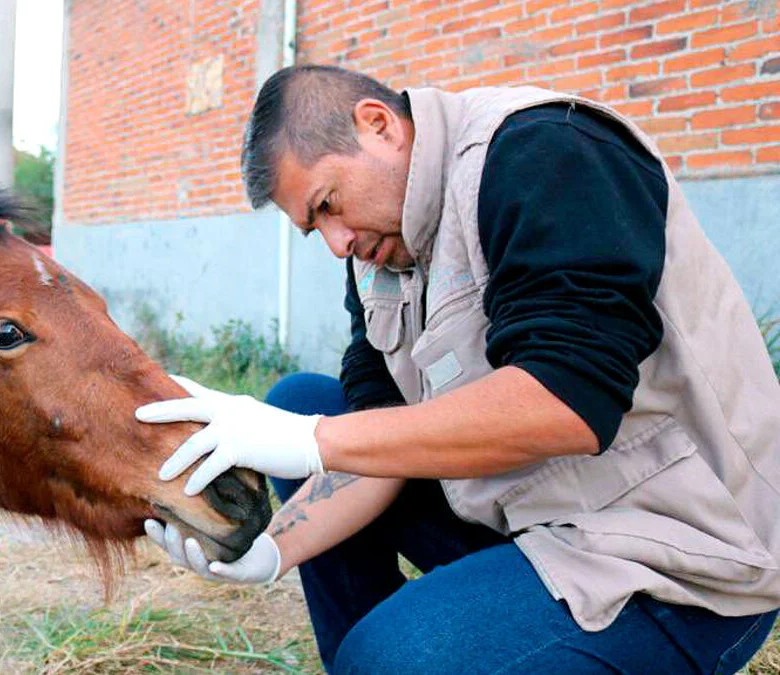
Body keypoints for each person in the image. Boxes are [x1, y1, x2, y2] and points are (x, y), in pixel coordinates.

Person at [136, 65, 780, 674]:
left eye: (328, 203)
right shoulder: (378, 253)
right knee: (307, 398)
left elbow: (569, 400)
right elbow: (378, 433)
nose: (337, 243)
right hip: (530, 518)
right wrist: (274, 550)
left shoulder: (545, 153)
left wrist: (308, 440)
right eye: (315, 228)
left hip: (677, 558)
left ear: (377, 125)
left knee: (393, 651)